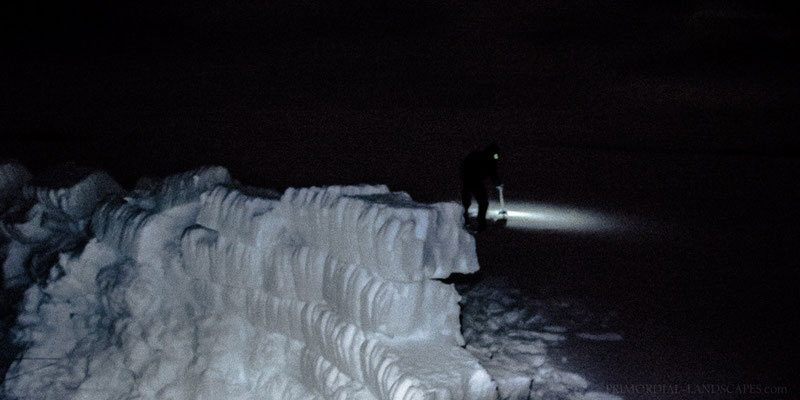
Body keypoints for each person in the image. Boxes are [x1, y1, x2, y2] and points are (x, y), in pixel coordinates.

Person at [460, 142, 502, 231]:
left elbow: (492, 172)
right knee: (482, 202)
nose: (497, 156)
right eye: (496, 154)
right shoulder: (488, 158)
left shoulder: (478, 155)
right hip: (472, 180)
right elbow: (492, 172)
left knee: (469, 202)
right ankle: (479, 222)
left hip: (469, 180)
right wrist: (498, 183)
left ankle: (468, 220)